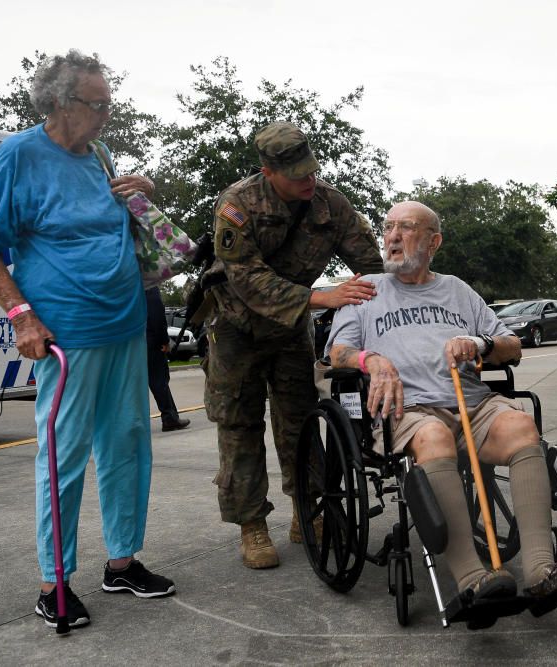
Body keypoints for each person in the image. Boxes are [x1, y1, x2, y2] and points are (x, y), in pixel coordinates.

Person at [0, 50, 175, 630]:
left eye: (110, 102)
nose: (108, 114)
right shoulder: (20, 155)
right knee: (63, 457)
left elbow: (116, 225)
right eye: (97, 104)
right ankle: (52, 583)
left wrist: (139, 193)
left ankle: (122, 562)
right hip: (68, 333)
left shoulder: (100, 155)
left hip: (125, 324)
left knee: (129, 443)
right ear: (61, 103)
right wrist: (23, 317)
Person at [326, 200, 557, 605]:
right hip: (411, 412)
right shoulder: (366, 291)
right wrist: (373, 359)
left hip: (473, 404)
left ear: (433, 241)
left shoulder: (457, 290)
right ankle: (472, 577)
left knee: (522, 426)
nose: (392, 237)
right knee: (435, 436)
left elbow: (511, 347)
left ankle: (543, 570)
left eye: (406, 228)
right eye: (388, 228)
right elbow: (338, 354)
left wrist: (479, 343)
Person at [202, 121, 383, 570]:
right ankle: (252, 526)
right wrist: (320, 297)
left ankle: (311, 511)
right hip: (234, 331)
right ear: (268, 171)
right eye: (297, 174)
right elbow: (246, 277)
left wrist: (381, 298)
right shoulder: (236, 206)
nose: (309, 180)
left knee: (301, 422)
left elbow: (369, 263)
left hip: (287, 333)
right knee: (240, 426)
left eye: (312, 170)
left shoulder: (329, 203)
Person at [146, 286, 190, 432]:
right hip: (151, 341)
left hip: (132, 340)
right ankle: (169, 417)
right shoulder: (149, 286)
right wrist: (164, 340)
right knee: (159, 381)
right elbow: (156, 315)